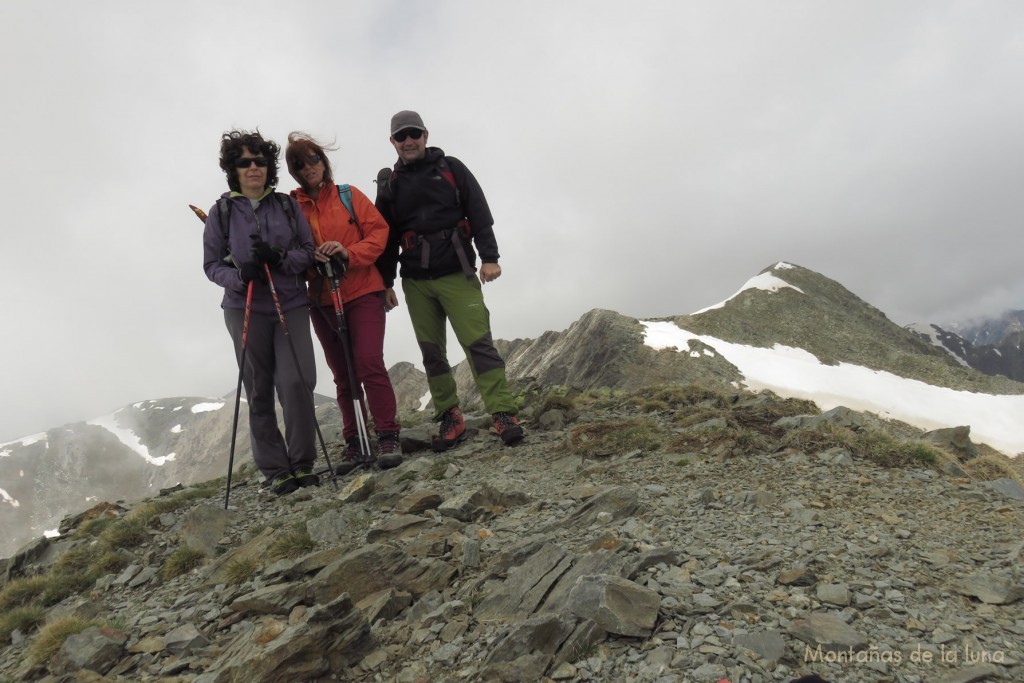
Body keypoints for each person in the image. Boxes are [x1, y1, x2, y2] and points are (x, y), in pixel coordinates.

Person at [375, 110, 524, 452]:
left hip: (457, 272)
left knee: (478, 344)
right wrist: (386, 283)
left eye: (414, 134)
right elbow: (385, 238)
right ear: (392, 142)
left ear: (426, 134)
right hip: (415, 279)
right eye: (401, 136)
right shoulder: (390, 185)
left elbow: (479, 211)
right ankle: (449, 417)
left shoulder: (451, 168)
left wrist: (490, 258)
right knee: (432, 353)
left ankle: (502, 413)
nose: (408, 141)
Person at [202, 129, 320, 496]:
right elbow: (210, 266)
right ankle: (275, 469)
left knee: (298, 382)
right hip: (244, 306)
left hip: (290, 303)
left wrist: (279, 259)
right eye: (244, 162)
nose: (253, 167)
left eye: (260, 161)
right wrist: (240, 276)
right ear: (233, 169)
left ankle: (302, 462)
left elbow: (307, 250)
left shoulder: (287, 206)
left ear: (269, 167)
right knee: (258, 388)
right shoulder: (220, 213)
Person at [285, 132, 403, 473]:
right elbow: (292, 252)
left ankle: (387, 434)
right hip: (321, 298)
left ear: (324, 161)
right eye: (300, 164)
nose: (309, 168)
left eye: (313, 159)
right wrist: (312, 259)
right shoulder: (291, 208)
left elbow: (378, 233)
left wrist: (348, 253)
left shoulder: (348, 196)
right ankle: (354, 440)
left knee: (368, 362)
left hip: (363, 290)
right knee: (342, 374)